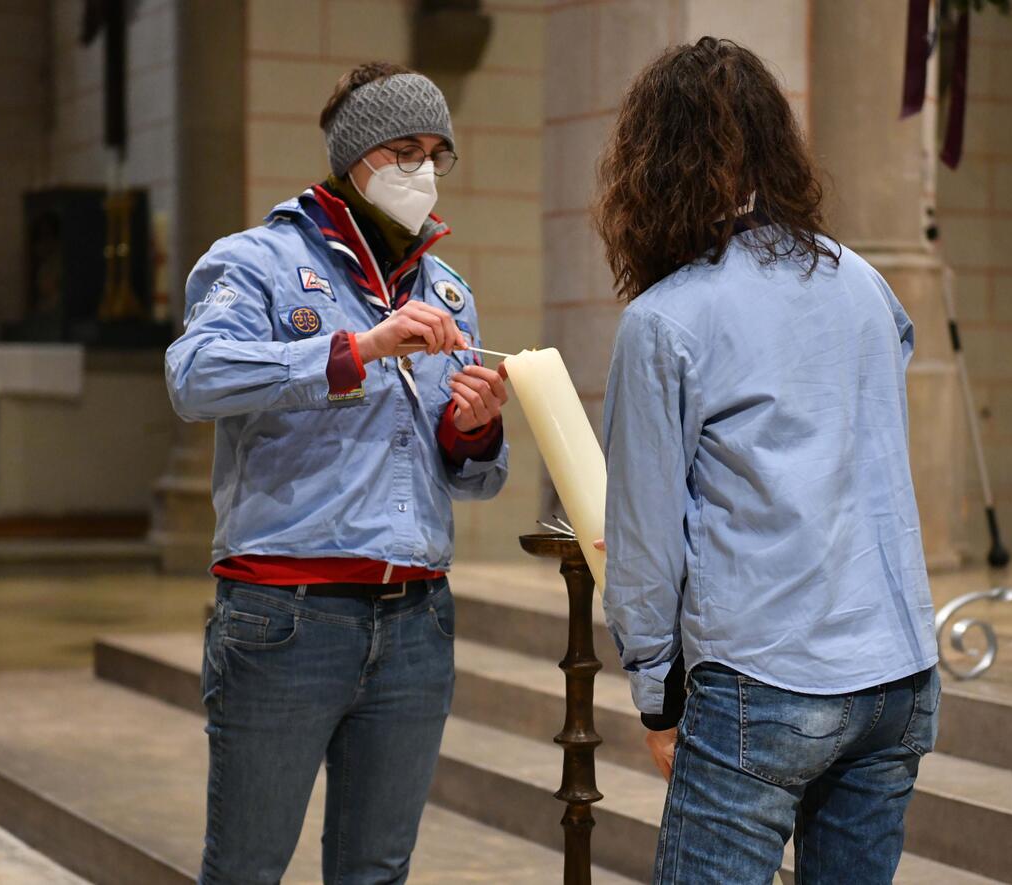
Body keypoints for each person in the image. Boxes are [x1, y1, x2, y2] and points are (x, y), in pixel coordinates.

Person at [594, 38, 940, 884]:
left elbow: (644, 538)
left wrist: (657, 693)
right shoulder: (866, 284)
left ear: (651, 164)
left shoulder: (666, 319)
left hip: (768, 673)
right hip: (898, 673)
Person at [165, 62, 510, 884]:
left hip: (416, 617)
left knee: (376, 871)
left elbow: (472, 478)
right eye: (403, 152)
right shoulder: (257, 260)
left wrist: (474, 431)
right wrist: (356, 348)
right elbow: (194, 377)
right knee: (246, 868)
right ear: (354, 156)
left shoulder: (447, 292)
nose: (422, 171)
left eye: (435, 153)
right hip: (288, 613)